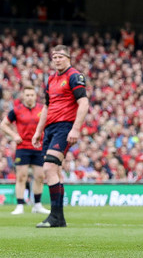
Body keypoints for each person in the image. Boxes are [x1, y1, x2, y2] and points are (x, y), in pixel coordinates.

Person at [32, 45, 89, 228]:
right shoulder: (50, 79)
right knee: (53, 171)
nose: (57, 60)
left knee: (48, 168)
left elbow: (84, 103)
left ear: (68, 58)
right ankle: (59, 219)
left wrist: (75, 129)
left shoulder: (74, 76)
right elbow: (47, 108)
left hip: (64, 127)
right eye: (54, 57)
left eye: (60, 56)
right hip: (49, 128)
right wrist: (38, 131)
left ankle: (55, 216)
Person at [0, 84, 51, 215]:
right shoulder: (16, 110)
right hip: (23, 147)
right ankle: (20, 205)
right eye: (27, 95)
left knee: (39, 176)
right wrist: (14, 135)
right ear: (23, 96)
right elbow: (3, 125)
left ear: (35, 96)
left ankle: (37, 205)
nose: (29, 97)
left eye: (32, 95)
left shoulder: (42, 109)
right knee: (21, 176)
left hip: (38, 147)